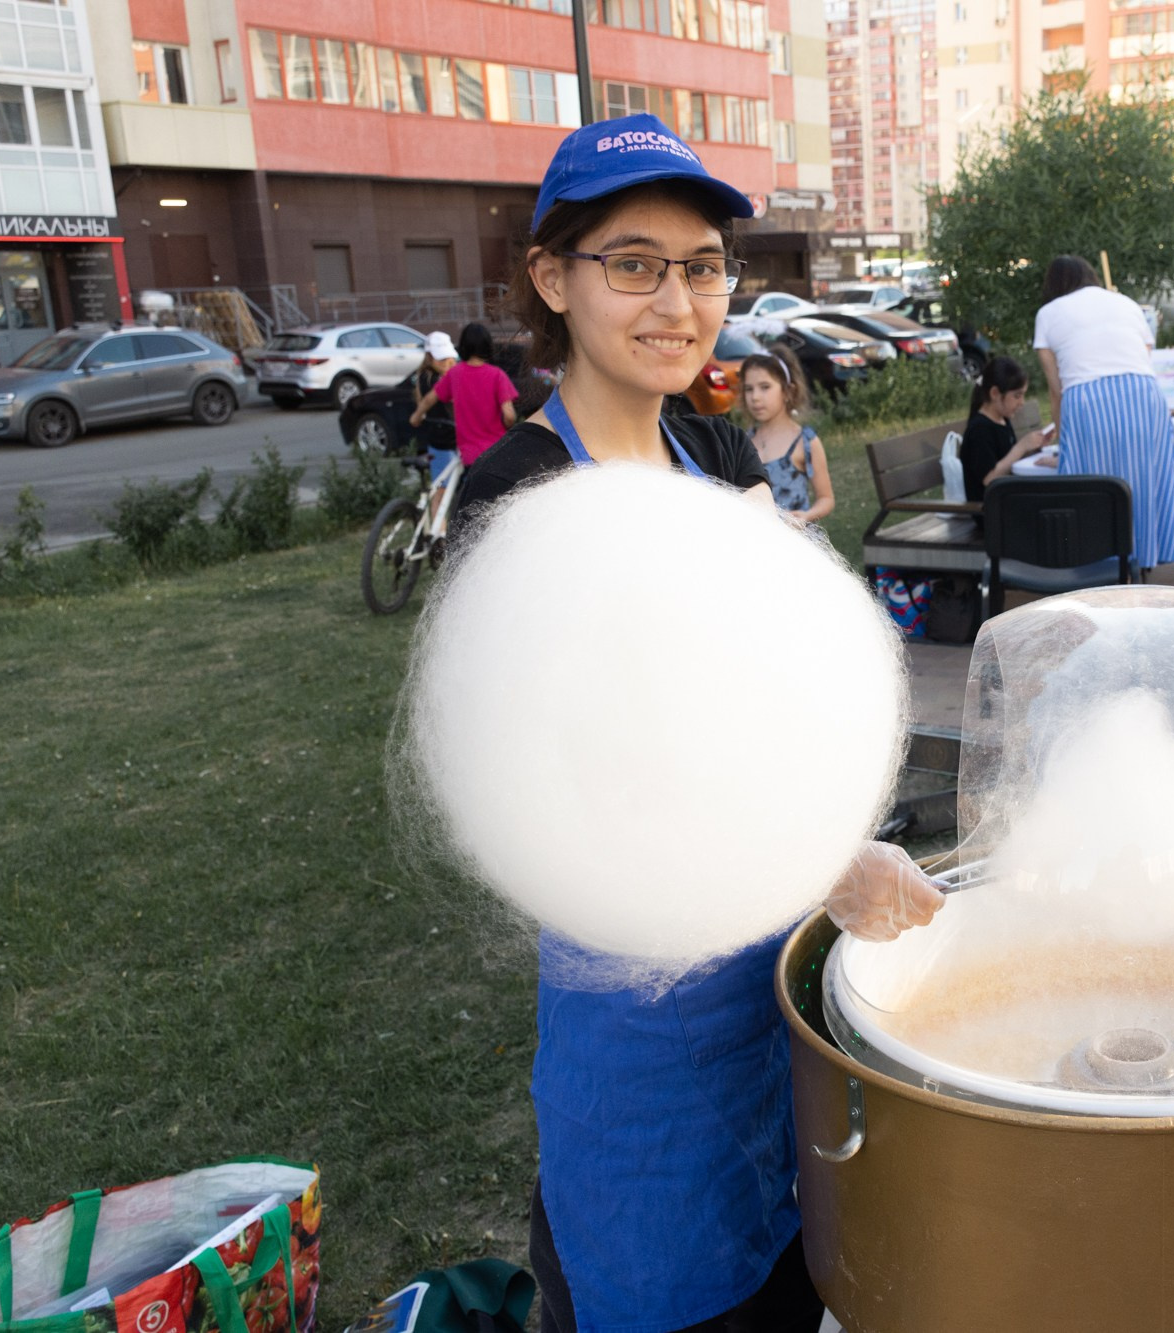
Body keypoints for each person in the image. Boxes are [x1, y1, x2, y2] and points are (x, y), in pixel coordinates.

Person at [450, 112, 943, 1333]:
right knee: (664, 1282)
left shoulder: (717, 449)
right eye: (633, 263)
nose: (676, 300)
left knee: (787, 1259)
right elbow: (574, 773)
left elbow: (782, 682)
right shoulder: (517, 490)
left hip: (770, 968)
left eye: (704, 264)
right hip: (641, 1009)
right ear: (551, 278)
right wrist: (810, 848)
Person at [1033, 254, 1174, 569]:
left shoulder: (1048, 313)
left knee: (1090, 488)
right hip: (1146, 395)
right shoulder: (1126, 304)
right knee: (1142, 481)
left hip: (1086, 397)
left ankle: (1098, 567)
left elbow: (1056, 388)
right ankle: (1141, 565)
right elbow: (1145, 356)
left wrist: (1065, 449)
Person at [741, 351, 833, 524]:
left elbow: (826, 498)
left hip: (795, 542)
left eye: (765, 387)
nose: (755, 397)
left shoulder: (804, 442)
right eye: (749, 389)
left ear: (787, 391)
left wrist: (807, 516)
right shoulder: (743, 442)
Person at [412, 321, 518, 468]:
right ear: (488, 346)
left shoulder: (455, 374)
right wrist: (508, 424)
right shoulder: (497, 375)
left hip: (469, 455)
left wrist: (416, 416)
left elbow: (430, 399)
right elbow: (509, 416)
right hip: (497, 452)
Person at [958, 355, 1052, 498]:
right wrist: (1021, 447)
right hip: (990, 509)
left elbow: (1007, 460)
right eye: (1017, 396)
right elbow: (990, 478)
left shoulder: (1002, 420)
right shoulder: (980, 429)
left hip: (1008, 500)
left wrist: (1034, 447)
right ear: (995, 393)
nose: (1022, 402)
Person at [410, 330, 460, 511]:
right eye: (442, 359)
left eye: (450, 359)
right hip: (445, 439)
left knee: (441, 489)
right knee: (442, 490)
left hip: (437, 438)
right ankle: (438, 533)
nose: (448, 363)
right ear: (430, 356)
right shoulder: (436, 379)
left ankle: (437, 532)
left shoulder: (422, 377)